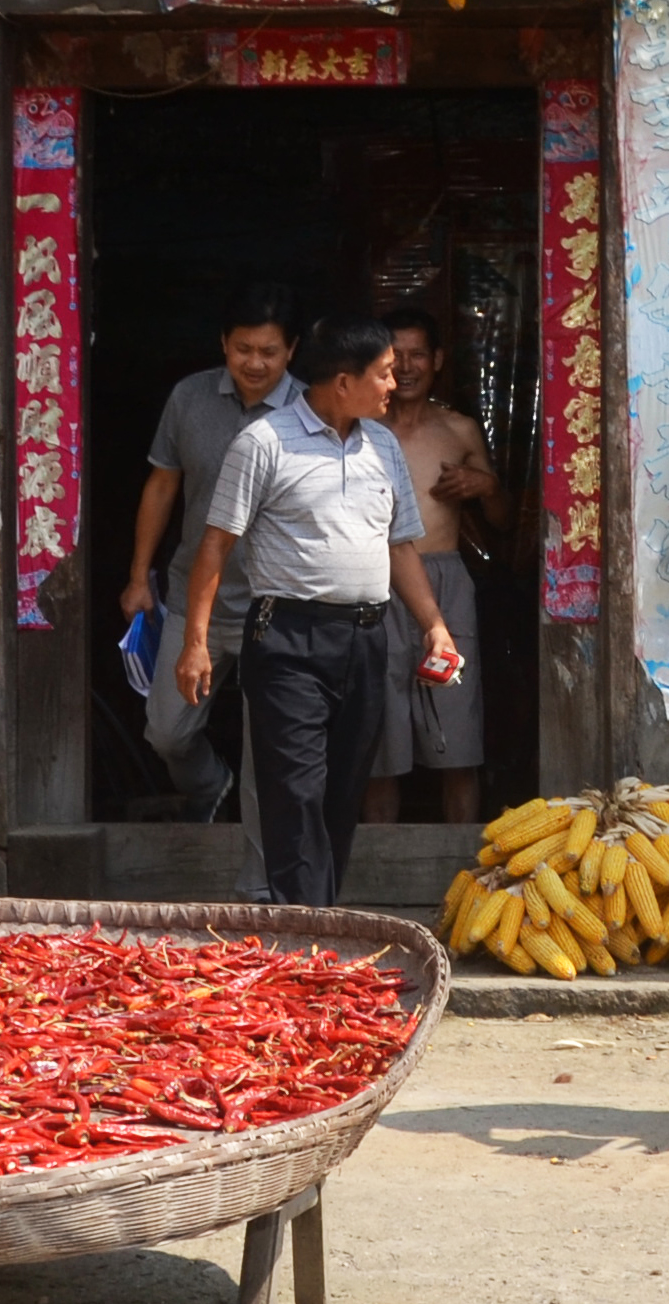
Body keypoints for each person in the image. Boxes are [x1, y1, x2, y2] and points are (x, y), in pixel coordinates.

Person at [180, 315, 464, 907]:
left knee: (342, 790)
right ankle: (303, 926)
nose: (395, 384)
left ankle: (318, 919)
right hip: (287, 638)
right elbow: (216, 544)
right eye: (384, 374)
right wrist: (196, 641)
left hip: (366, 638)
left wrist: (434, 626)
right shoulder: (263, 442)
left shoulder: (381, 443)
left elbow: (400, 545)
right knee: (296, 789)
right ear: (343, 381)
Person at [123, 286, 301, 828]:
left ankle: (261, 853)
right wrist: (137, 577)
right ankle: (208, 784)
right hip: (193, 596)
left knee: (270, 741)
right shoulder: (190, 398)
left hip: (279, 606)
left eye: (269, 351)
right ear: (224, 343)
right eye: (243, 348)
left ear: (291, 350)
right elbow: (161, 486)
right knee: (167, 731)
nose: (255, 362)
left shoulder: (313, 410)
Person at [361, 306, 501, 825]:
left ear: (438, 359)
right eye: (397, 357)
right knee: (380, 741)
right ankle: (380, 868)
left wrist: (485, 486)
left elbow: (503, 519)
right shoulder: (362, 428)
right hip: (374, 582)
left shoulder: (458, 429)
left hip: (445, 580)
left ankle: (462, 866)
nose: (409, 366)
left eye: (419, 353)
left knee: (457, 732)